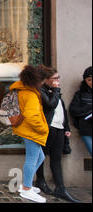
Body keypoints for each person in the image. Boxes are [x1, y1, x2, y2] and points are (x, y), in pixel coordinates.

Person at [35, 65, 80, 203]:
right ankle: (41, 181)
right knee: (41, 156)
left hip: (59, 128)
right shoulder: (41, 91)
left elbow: (62, 110)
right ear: (45, 80)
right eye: (54, 78)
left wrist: (66, 127)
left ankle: (60, 188)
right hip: (48, 128)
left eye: (58, 77)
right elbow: (51, 105)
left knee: (56, 158)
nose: (58, 80)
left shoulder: (54, 91)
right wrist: (55, 90)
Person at [10, 65, 49, 203]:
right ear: (36, 80)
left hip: (25, 129)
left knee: (40, 156)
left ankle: (26, 184)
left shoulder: (22, 89)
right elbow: (32, 116)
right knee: (32, 159)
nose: (43, 83)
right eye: (42, 81)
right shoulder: (30, 94)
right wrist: (43, 129)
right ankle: (27, 189)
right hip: (31, 131)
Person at [69, 66, 92, 156]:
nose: (91, 82)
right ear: (85, 81)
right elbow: (74, 110)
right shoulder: (80, 94)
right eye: (89, 80)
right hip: (86, 129)